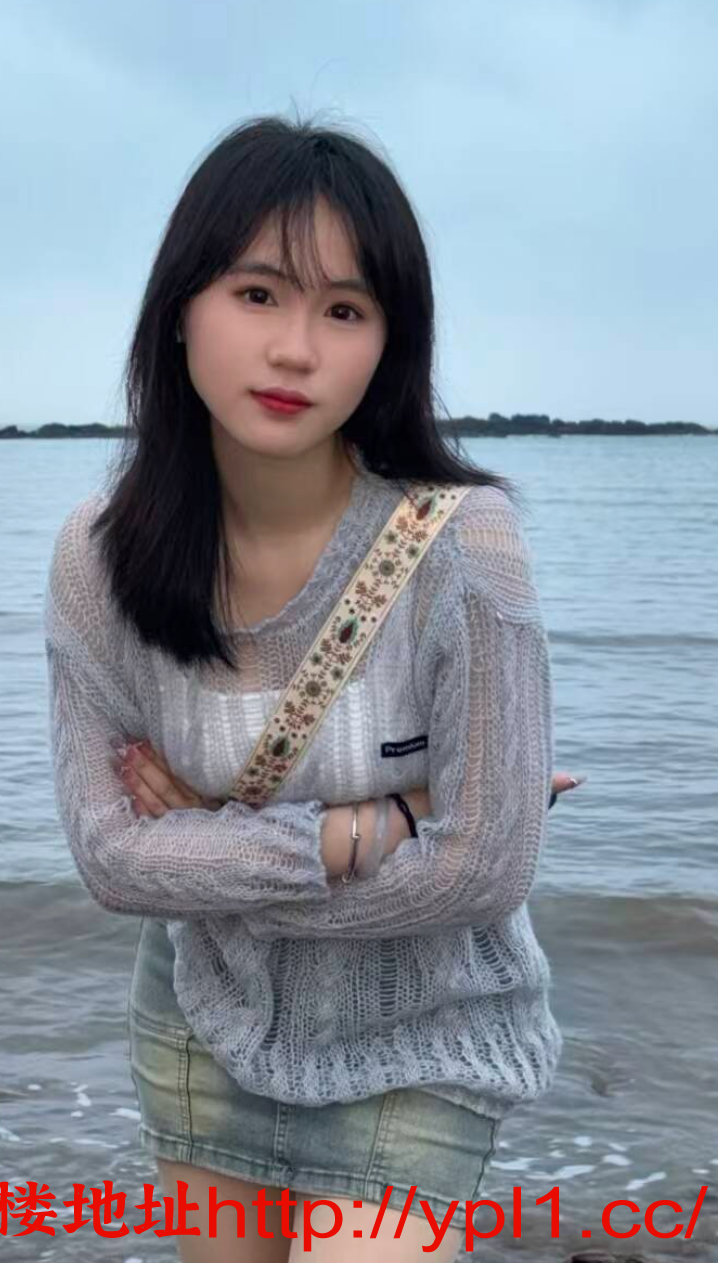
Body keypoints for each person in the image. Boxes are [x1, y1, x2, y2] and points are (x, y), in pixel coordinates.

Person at [43, 115, 583, 1262]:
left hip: (425, 1030)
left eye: (343, 310)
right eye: (256, 294)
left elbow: (485, 870)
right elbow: (109, 860)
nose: (294, 349)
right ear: (180, 307)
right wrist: (376, 824)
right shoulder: (100, 555)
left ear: (390, 342)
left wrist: (209, 834)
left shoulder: (464, 545)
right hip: (211, 1013)